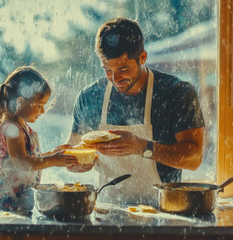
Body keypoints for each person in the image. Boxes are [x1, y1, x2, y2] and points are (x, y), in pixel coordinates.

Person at [66, 17, 205, 205]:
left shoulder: (177, 93)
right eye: (107, 69)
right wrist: (77, 163)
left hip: (163, 212)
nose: (115, 78)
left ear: (142, 57)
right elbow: (74, 151)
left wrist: (142, 147)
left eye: (123, 68)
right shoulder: (89, 98)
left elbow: (194, 159)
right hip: (107, 212)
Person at [0, 66, 79, 213]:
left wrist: (52, 153)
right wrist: (53, 160)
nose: (43, 111)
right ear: (19, 102)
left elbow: (30, 159)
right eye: (39, 106)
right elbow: (22, 162)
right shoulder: (12, 129)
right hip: (9, 198)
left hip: (22, 197)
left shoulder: (23, 127)